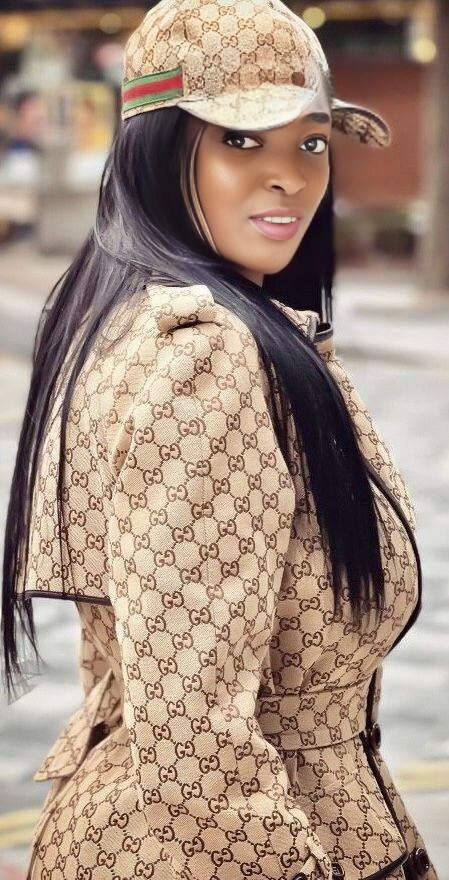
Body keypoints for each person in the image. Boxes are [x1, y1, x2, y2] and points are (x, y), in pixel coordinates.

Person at [0, 1, 438, 879]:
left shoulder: (129, 318)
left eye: (310, 141)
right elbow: (193, 739)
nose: (289, 177)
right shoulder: (204, 359)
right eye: (240, 140)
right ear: (156, 153)